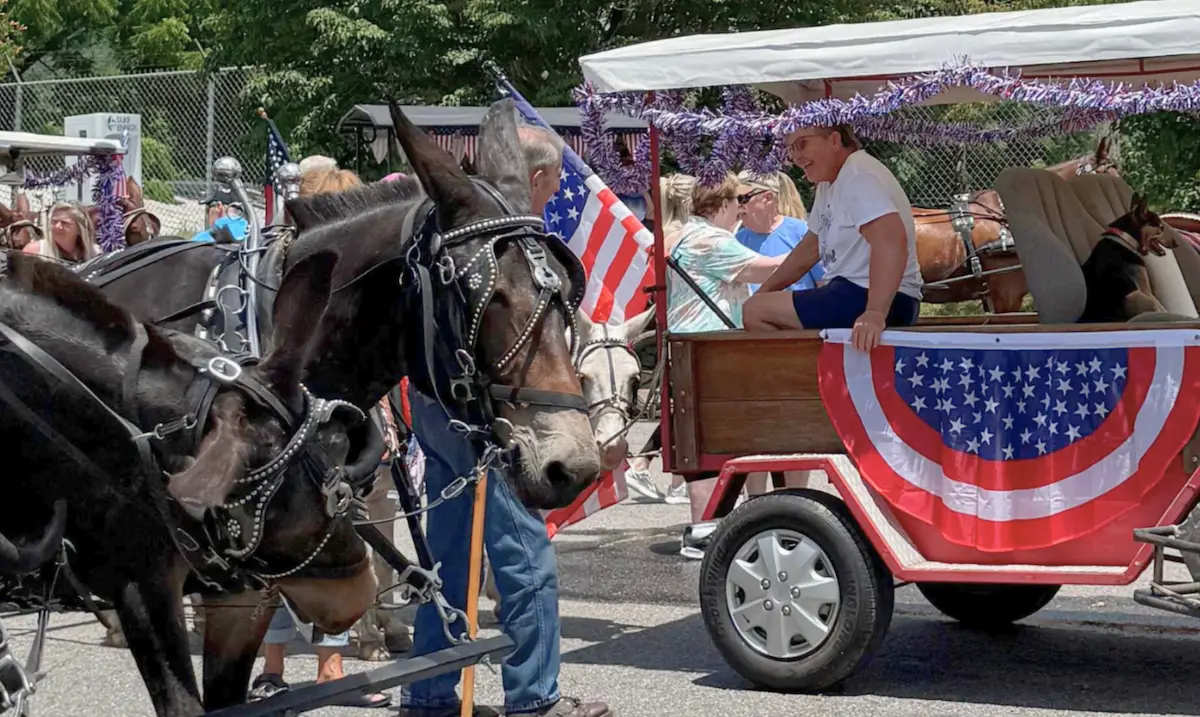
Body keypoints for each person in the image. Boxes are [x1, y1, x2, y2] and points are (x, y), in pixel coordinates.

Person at [397, 123, 610, 717]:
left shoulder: (453, 226)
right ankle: (535, 699)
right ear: (533, 177)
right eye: (554, 183)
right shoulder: (508, 239)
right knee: (521, 554)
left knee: (447, 553)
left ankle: (432, 694)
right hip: (488, 414)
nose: (550, 195)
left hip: (435, 405)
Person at [248, 163, 394, 710]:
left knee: (280, 544)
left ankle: (275, 668)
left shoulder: (279, 261)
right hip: (309, 421)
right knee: (326, 539)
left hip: (288, 418)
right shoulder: (319, 268)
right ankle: (325, 668)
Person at [662, 172, 786, 559]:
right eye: (737, 202)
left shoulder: (686, 234)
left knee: (703, 441)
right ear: (722, 204)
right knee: (711, 445)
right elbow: (768, 269)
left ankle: (706, 528)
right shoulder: (710, 240)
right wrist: (821, 250)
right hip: (710, 347)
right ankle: (705, 532)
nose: (741, 209)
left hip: (691, 346)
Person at [742, 124, 923, 352]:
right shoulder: (831, 182)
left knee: (755, 312)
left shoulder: (858, 177)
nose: (795, 156)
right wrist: (764, 293)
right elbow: (809, 250)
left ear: (834, 141)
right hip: (854, 294)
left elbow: (890, 241)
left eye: (802, 144)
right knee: (756, 306)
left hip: (876, 297)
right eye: (790, 149)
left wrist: (875, 313)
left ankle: (804, 381)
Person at [734, 170, 824, 293]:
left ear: (768, 198)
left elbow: (823, 283)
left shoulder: (803, 232)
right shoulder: (736, 241)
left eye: (742, 199)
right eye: (732, 200)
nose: (737, 206)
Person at [23, 201, 99, 263]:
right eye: (54, 222)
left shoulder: (95, 253)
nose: (58, 226)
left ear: (79, 229)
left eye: (64, 223)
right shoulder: (35, 252)